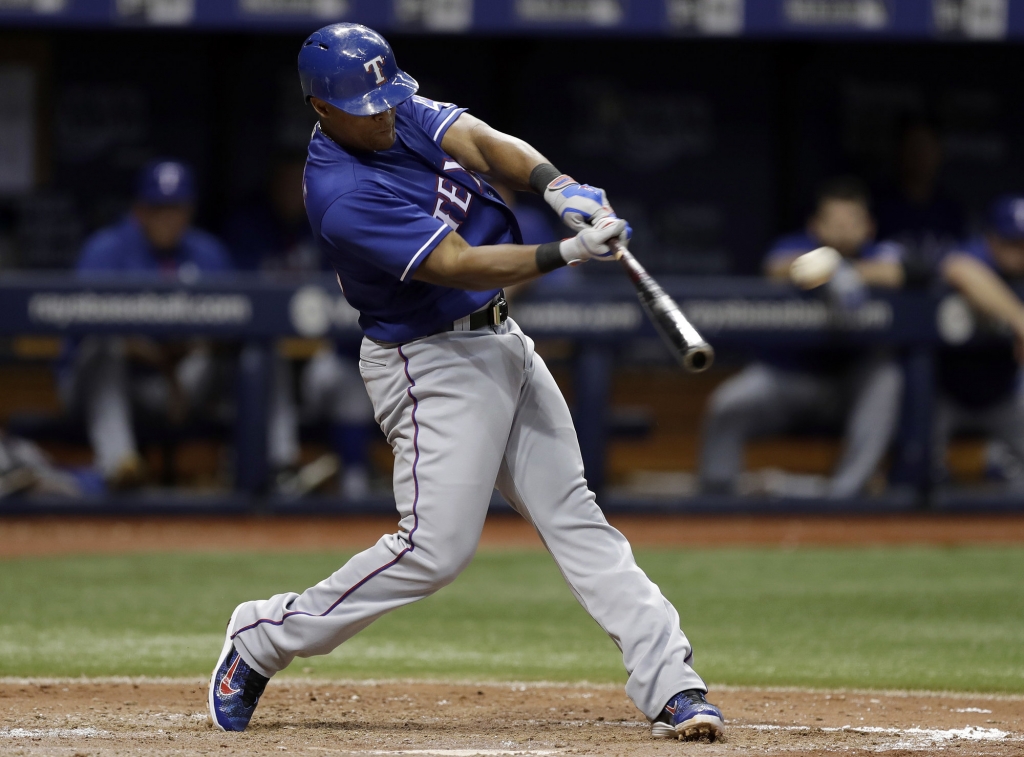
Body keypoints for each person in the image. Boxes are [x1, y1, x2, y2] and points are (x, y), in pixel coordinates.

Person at [208, 23, 724, 743]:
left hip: (501, 339)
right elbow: (454, 263)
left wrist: (558, 185)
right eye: (365, 106)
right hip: (429, 363)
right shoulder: (339, 193)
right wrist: (566, 249)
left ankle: (674, 684)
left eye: (387, 98)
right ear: (321, 109)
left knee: (575, 514)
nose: (383, 114)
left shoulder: (397, 110)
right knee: (433, 551)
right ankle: (263, 635)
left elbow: (481, 143)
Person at [699, 177, 905, 498]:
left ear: (869, 227)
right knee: (729, 403)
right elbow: (779, 267)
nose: (842, 229)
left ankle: (845, 496)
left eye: (851, 221)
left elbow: (896, 272)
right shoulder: (795, 246)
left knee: (887, 377)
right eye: (834, 221)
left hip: (848, 385)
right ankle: (716, 497)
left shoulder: (881, 253)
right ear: (815, 225)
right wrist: (830, 268)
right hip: (788, 378)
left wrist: (851, 272)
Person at [61, 160, 232, 489]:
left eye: (176, 208)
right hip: (104, 388)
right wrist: (165, 366)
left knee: (252, 353)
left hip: (181, 383)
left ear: (190, 210)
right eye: (158, 208)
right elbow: (89, 329)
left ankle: (264, 470)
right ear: (139, 210)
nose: (168, 218)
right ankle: (119, 466)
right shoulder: (104, 250)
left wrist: (180, 366)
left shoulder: (208, 253)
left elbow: (241, 323)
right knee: (106, 347)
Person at [223, 155, 376, 498]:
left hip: (319, 361)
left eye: (301, 184)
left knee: (346, 377)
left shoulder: (332, 223)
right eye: (286, 183)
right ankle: (284, 467)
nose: (294, 192)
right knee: (263, 360)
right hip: (273, 364)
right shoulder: (250, 226)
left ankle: (355, 481)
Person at [933, 196, 1024, 485]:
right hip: (947, 394)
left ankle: (1002, 460)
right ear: (991, 239)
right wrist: (1020, 321)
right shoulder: (974, 255)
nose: (1020, 253)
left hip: (1004, 398)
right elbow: (957, 267)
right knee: (925, 474)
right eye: (1012, 243)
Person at [874, 118, 965, 272]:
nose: (920, 155)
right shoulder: (879, 205)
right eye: (914, 147)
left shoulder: (952, 209)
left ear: (939, 152)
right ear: (900, 151)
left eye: (926, 148)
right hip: (887, 291)